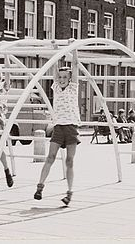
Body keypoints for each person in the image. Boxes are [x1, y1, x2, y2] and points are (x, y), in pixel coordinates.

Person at [34, 61, 80, 206]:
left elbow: (76, 65)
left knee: (69, 161)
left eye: (65, 77)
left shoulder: (73, 88)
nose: (61, 80)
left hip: (71, 127)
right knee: (50, 157)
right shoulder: (56, 88)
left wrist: (74, 49)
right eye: (59, 77)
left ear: (70, 79)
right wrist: (55, 50)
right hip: (59, 127)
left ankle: (69, 192)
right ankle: (40, 187)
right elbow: (54, 66)